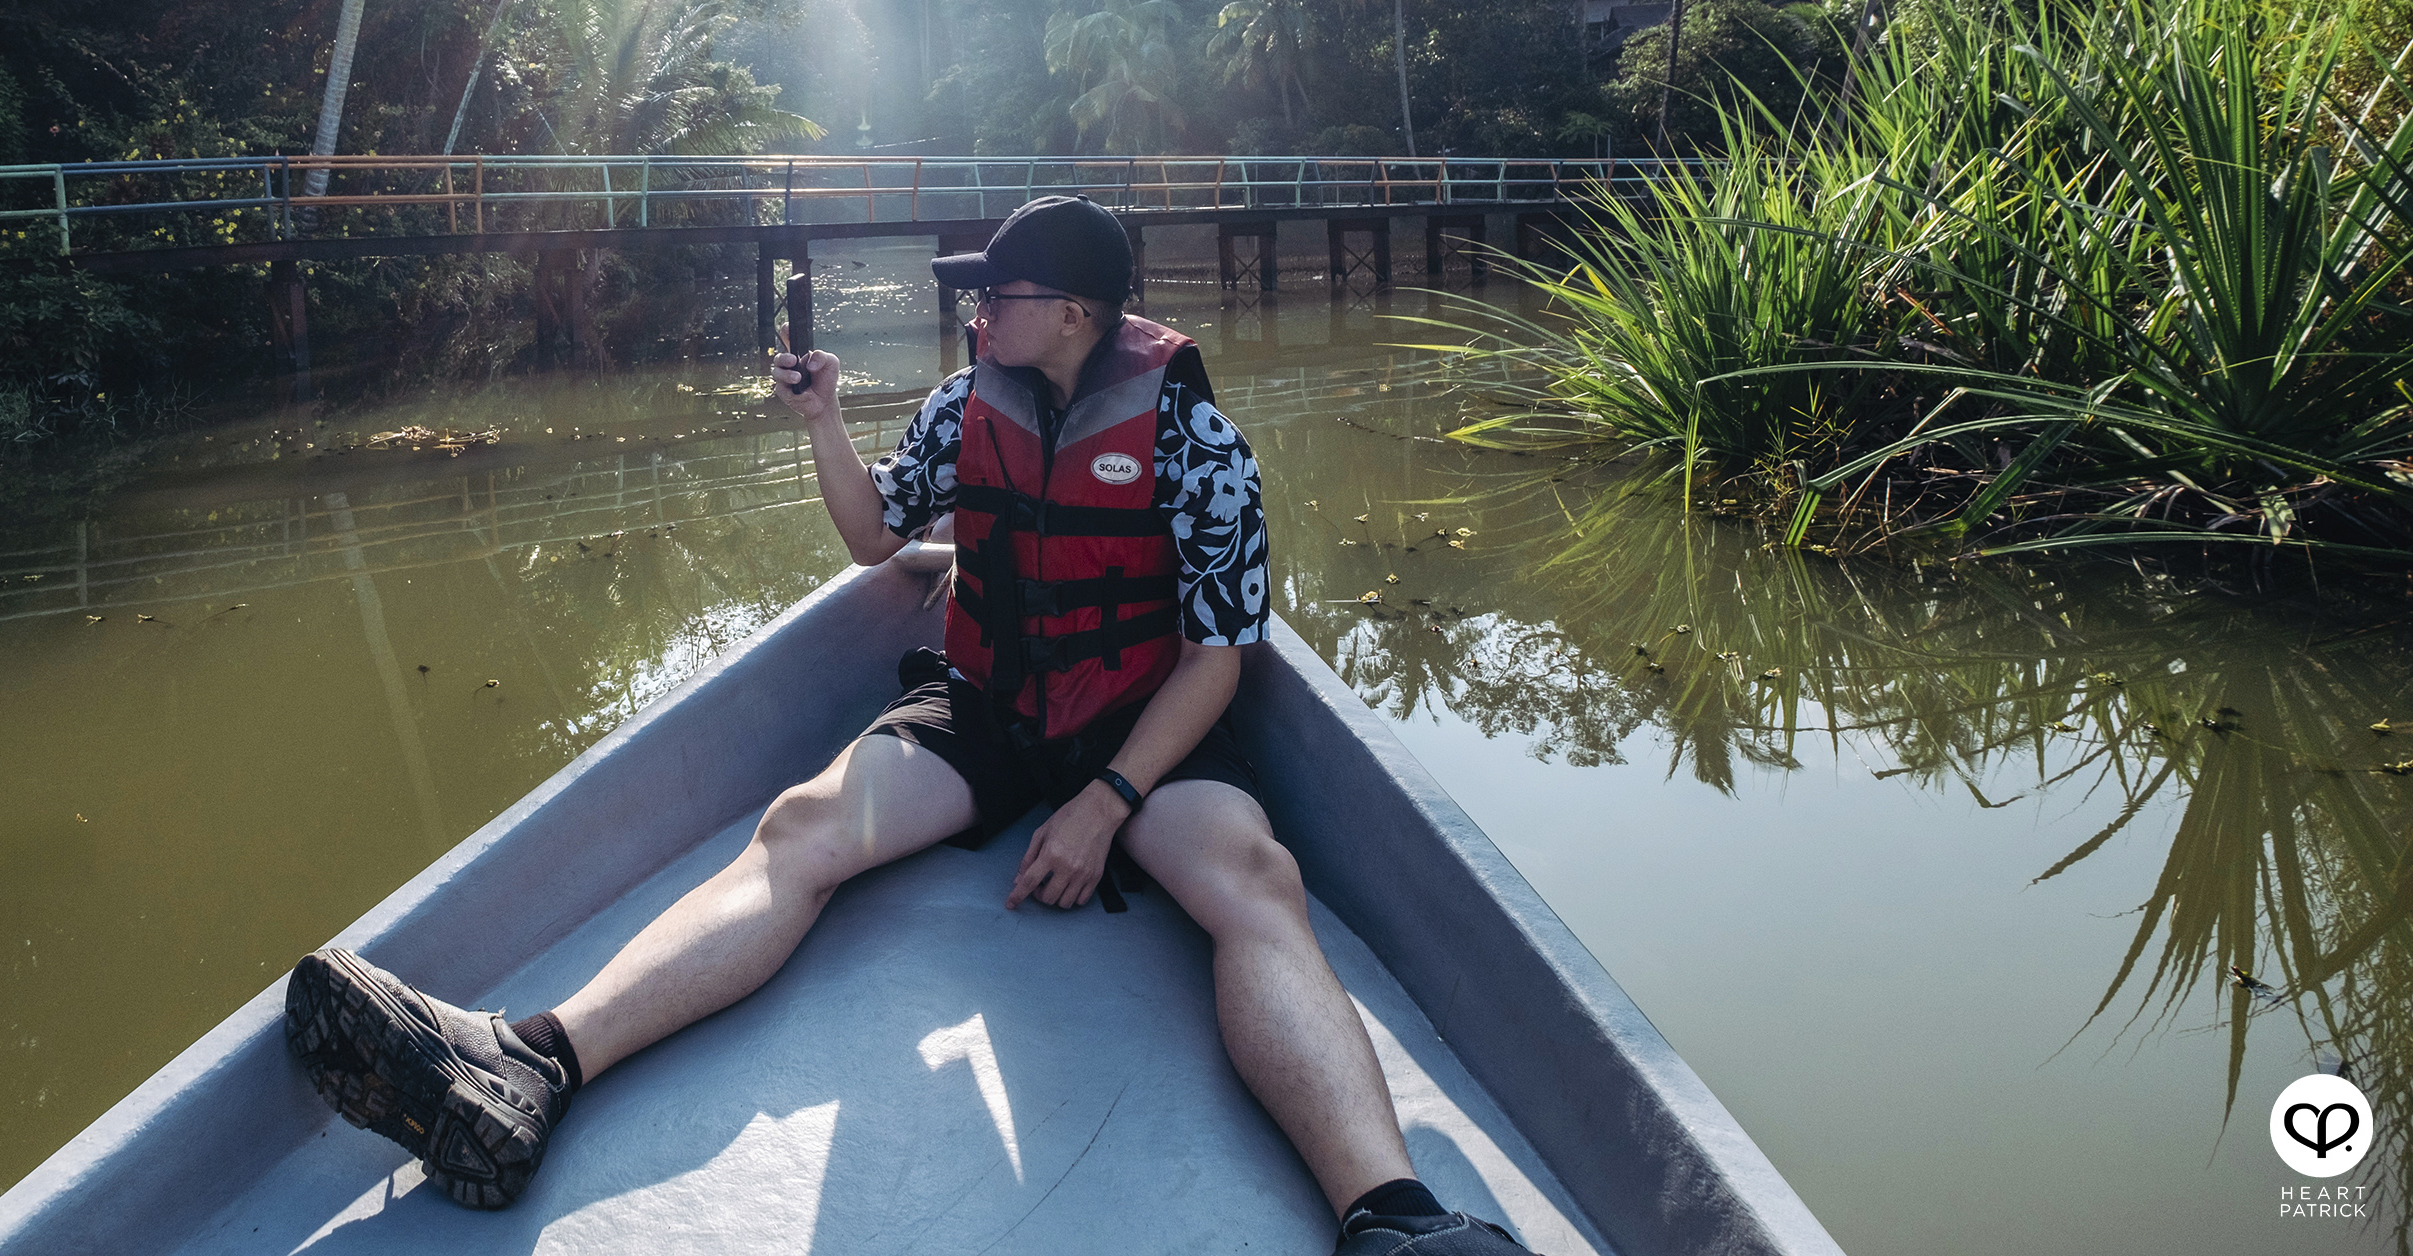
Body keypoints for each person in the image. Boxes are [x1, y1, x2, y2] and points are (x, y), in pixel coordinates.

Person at [282, 195, 1530, 1254]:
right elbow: (881, 536)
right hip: (985, 703)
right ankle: (534, 1062)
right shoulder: (962, 399)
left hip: (1140, 725)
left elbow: (1220, 654)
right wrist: (824, 420)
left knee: (1256, 878)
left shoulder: (1199, 440)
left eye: (1003, 291)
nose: (980, 309)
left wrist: (1109, 800)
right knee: (803, 826)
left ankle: (1395, 1216)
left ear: (1081, 312)